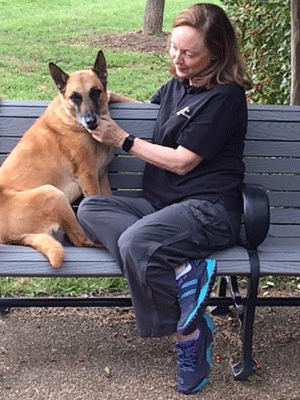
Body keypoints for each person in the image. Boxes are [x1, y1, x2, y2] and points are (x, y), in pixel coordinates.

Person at [78, 3, 252, 394]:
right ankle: (182, 273)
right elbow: (159, 115)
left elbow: (181, 163)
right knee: (91, 207)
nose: (177, 58)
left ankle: (189, 336)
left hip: (206, 210)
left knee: (135, 241)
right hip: (161, 207)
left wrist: (122, 139)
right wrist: (105, 97)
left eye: (189, 53)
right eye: (174, 48)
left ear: (217, 54)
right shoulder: (178, 84)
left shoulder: (225, 98)